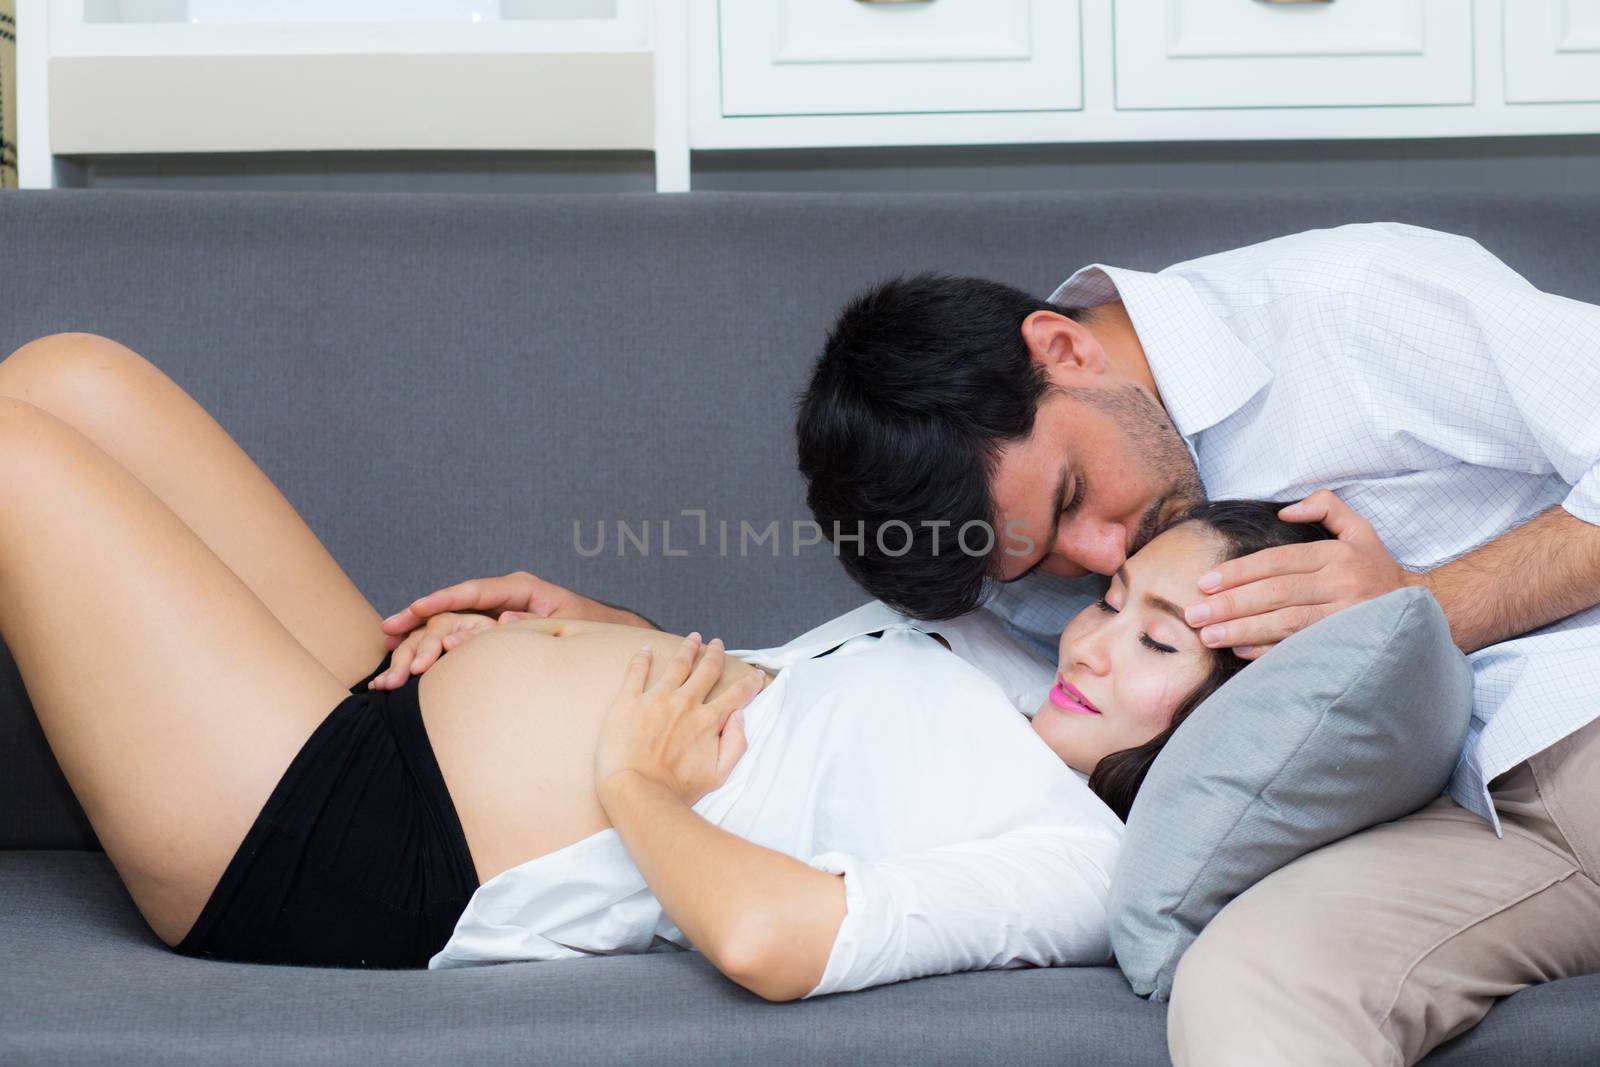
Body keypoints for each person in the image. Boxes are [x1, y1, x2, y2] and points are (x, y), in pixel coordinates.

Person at [2, 331, 1319, 1001]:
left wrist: (634, 784)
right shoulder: (1009, 669)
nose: (1088, 633)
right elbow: (771, 698)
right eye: (1117, 596)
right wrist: (588, 623)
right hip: (387, 699)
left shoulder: (1075, 865)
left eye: (1153, 638)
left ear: (1226, 721)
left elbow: (768, 936)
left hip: (348, 846)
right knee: (73, 374)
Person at [788, 221, 1600, 1064]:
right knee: (1248, 984)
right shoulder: (1026, 566)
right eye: (1052, 562)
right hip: (1470, 821)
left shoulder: (1346, 305)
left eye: (1072, 498)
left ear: (1063, 348)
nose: (1103, 555)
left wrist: (1428, 603)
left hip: (1580, 717)